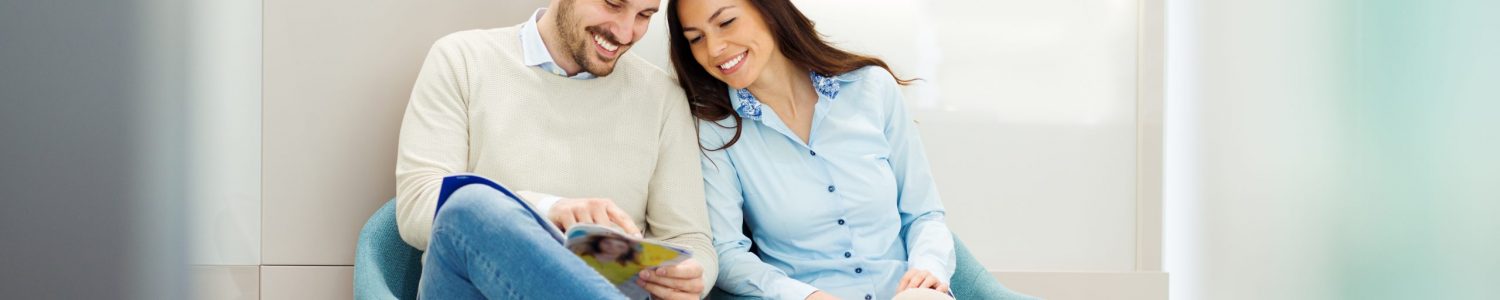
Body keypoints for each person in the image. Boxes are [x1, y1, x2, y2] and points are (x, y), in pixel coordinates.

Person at [394, 0, 716, 298]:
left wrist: (689, 276)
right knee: (468, 205)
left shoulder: (662, 99)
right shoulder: (461, 59)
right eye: (613, 3)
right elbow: (416, 206)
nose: (625, 32)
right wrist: (547, 210)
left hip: (609, 288)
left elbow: (690, 240)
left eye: (644, 14)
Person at [666, 0, 956, 299]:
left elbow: (923, 213)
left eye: (726, 22)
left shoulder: (871, 88)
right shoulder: (716, 130)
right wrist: (804, 295)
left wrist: (929, 268)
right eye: (696, 38)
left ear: (770, 10)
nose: (714, 49)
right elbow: (726, 253)